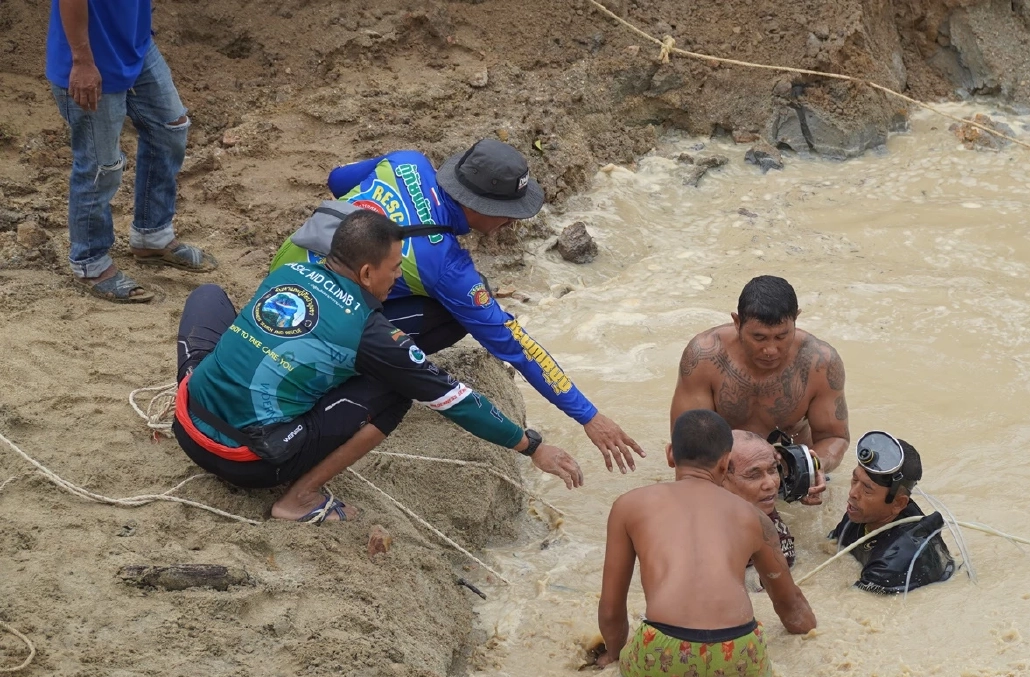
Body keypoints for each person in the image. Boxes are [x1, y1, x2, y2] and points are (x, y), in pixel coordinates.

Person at [171, 209, 582, 523]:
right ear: (367, 273)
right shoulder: (370, 332)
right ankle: (299, 499)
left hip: (187, 425)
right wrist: (532, 446)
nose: (397, 276)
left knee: (208, 296)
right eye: (394, 268)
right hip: (251, 461)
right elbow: (453, 398)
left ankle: (205, 389)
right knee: (397, 391)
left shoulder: (290, 272)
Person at [269, 139, 643, 472]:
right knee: (455, 315)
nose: (513, 221)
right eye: (512, 211)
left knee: (448, 300)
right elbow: (517, 346)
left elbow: (338, 179)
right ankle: (360, 370)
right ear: (481, 206)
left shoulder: (407, 162)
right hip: (313, 329)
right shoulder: (447, 267)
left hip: (281, 284)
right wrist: (589, 416)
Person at [595, 409, 816, 677]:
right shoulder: (754, 517)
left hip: (665, 653)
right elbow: (790, 605)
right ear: (725, 463)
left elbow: (611, 609)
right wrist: (810, 635)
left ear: (670, 455)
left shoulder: (629, 505)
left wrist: (614, 655)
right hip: (737, 653)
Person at [46, 0, 216, 303]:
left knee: (169, 128)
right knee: (101, 166)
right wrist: (82, 61)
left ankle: (153, 236)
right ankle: (90, 262)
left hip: (135, 47)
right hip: (89, 59)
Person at [670, 275, 848, 504]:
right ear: (737, 322)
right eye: (759, 337)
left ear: (796, 319)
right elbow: (688, 445)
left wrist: (815, 465)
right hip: (727, 475)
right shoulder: (704, 357)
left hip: (792, 474)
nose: (771, 350)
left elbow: (835, 437)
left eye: (781, 336)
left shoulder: (820, 363)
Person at [829, 432, 955, 594]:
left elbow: (856, 601)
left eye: (867, 489)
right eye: (855, 480)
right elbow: (830, 545)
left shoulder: (896, 560)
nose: (853, 493)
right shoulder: (860, 513)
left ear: (898, 503)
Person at [723, 431, 796, 588]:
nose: (771, 484)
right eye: (754, 475)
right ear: (721, 478)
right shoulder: (693, 521)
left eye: (772, 470)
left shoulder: (766, 519)